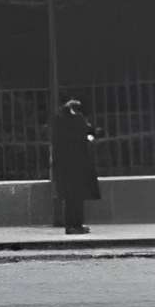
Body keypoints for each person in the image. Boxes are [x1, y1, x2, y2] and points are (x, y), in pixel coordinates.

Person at [49, 97, 101, 235]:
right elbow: (89, 131)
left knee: (71, 197)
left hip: (65, 165)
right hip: (77, 164)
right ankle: (74, 225)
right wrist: (90, 136)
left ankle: (74, 225)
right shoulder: (76, 120)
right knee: (76, 197)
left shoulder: (59, 121)